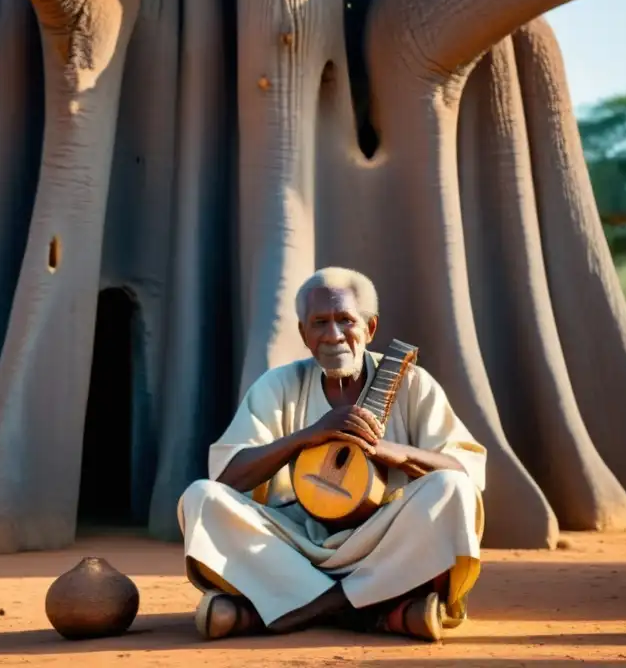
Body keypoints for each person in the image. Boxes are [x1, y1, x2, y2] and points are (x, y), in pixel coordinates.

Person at [177, 267, 486, 642]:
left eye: (346, 321)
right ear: (303, 333)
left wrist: (392, 453)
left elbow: (465, 468)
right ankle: (370, 611)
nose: (334, 335)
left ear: (370, 329)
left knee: (453, 489)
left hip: (384, 541)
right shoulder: (277, 385)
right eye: (320, 322)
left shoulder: (413, 384)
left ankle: (296, 609)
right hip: (295, 546)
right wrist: (307, 437)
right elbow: (227, 477)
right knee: (200, 497)